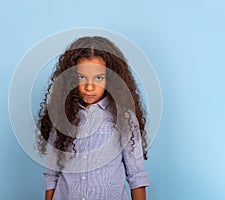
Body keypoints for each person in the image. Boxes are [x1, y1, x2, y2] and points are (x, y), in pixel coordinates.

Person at [36, 36, 149, 200]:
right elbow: (52, 176)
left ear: (110, 79)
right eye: (82, 77)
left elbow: (137, 176)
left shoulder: (125, 118)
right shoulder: (61, 116)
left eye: (99, 78)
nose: (90, 87)